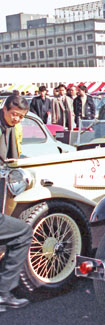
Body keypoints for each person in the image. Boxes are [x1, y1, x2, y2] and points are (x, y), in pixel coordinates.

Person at [0, 95, 34, 312]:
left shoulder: (14, 128)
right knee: (23, 233)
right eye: (14, 114)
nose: (17, 119)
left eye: (21, 117)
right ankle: (3, 292)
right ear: (4, 109)